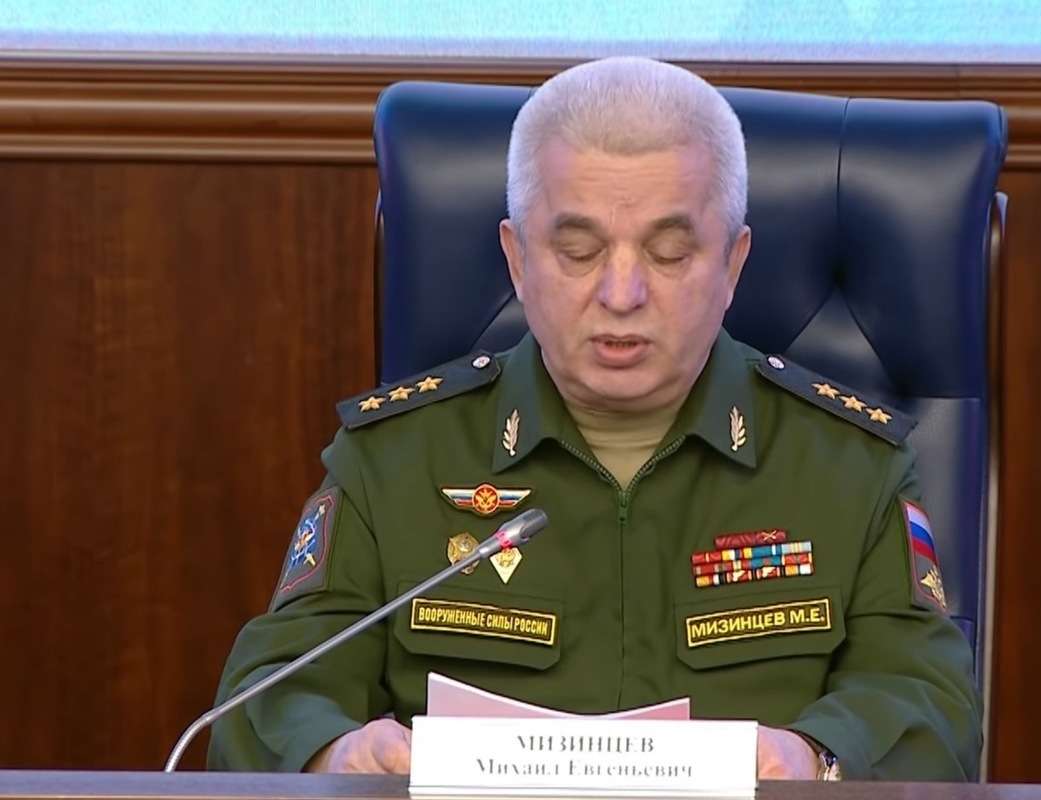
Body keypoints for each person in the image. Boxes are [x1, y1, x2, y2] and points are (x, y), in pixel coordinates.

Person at [207, 55, 982, 782]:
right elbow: (261, 705)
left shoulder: (849, 466)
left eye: (668, 254)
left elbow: (933, 714)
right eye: (578, 252)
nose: (621, 295)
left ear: (733, 264)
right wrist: (336, 754)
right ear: (517, 260)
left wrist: (814, 760)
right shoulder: (394, 460)